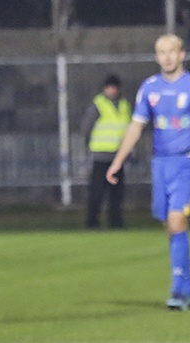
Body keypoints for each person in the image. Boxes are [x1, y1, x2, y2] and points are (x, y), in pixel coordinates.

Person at [106, 34, 190, 311]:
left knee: (176, 221)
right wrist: (117, 161)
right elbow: (136, 126)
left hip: (187, 163)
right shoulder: (149, 88)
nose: (167, 57)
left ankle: (179, 291)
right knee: (169, 226)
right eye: (161, 52)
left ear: (182, 54)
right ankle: (188, 290)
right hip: (161, 164)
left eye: (172, 51)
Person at [81, 74, 131, 229]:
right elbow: (86, 127)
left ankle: (115, 222)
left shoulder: (124, 105)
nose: (112, 90)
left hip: (118, 156)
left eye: (114, 87)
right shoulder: (99, 104)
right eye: (109, 87)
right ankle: (92, 222)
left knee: (117, 193)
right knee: (96, 192)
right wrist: (88, 146)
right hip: (101, 154)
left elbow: (128, 128)